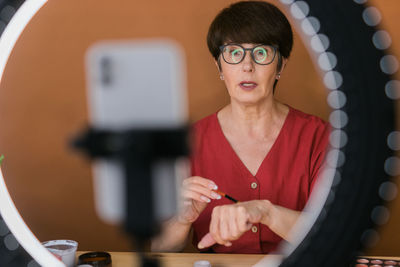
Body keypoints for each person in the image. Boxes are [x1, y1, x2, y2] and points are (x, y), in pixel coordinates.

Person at [151, 0, 330, 254]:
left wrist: (266, 212)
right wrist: (182, 218)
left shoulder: (319, 137)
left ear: (281, 64)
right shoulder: (188, 142)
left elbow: (332, 234)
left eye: (261, 53)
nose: (247, 66)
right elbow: (160, 249)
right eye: (234, 53)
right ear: (219, 66)